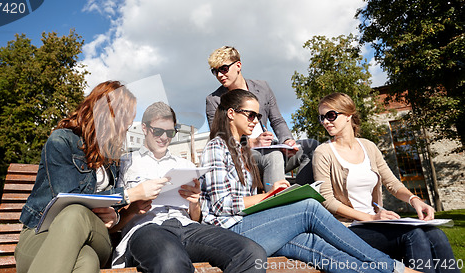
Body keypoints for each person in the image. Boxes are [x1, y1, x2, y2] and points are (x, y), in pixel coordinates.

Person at [199, 89, 421, 273]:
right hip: (228, 234)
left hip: (247, 227)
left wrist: (274, 196)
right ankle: (395, 268)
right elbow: (221, 205)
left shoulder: (241, 150)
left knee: (312, 244)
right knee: (309, 208)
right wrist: (267, 196)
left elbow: (241, 200)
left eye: (257, 116)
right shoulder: (216, 147)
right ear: (230, 113)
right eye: (251, 115)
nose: (255, 121)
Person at [15, 81, 160, 273]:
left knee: (76, 214)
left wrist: (115, 216)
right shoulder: (61, 141)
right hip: (39, 236)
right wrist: (129, 195)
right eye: (126, 117)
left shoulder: (111, 156)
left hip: (95, 236)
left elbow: (105, 212)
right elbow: (67, 198)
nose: (128, 125)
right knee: (86, 261)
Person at [313, 92, 459, 273]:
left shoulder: (369, 147)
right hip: (348, 228)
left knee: (435, 234)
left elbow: (392, 183)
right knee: (414, 236)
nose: (326, 121)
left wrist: (415, 200)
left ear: (348, 115)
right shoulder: (323, 152)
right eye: (322, 117)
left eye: (331, 115)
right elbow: (326, 200)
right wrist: (372, 218)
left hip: (375, 223)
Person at [112, 101, 266, 272]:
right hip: (147, 228)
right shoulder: (126, 163)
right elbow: (113, 223)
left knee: (252, 253)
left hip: (187, 227)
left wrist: (194, 203)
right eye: (158, 131)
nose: (164, 138)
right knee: (171, 261)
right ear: (144, 128)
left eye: (170, 132)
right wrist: (133, 208)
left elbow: (195, 217)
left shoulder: (185, 164)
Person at [206, 46, 319, 190]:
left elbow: (277, 119)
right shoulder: (214, 100)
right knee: (273, 155)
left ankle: (301, 194)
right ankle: (278, 205)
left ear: (238, 65)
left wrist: (287, 141)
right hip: (244, 156)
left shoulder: (263, 87)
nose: (219, 75)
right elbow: (219, 135)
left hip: (271, 147)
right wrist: (252, 142)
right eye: (215, 72)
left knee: (312, 146)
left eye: (223, 69)